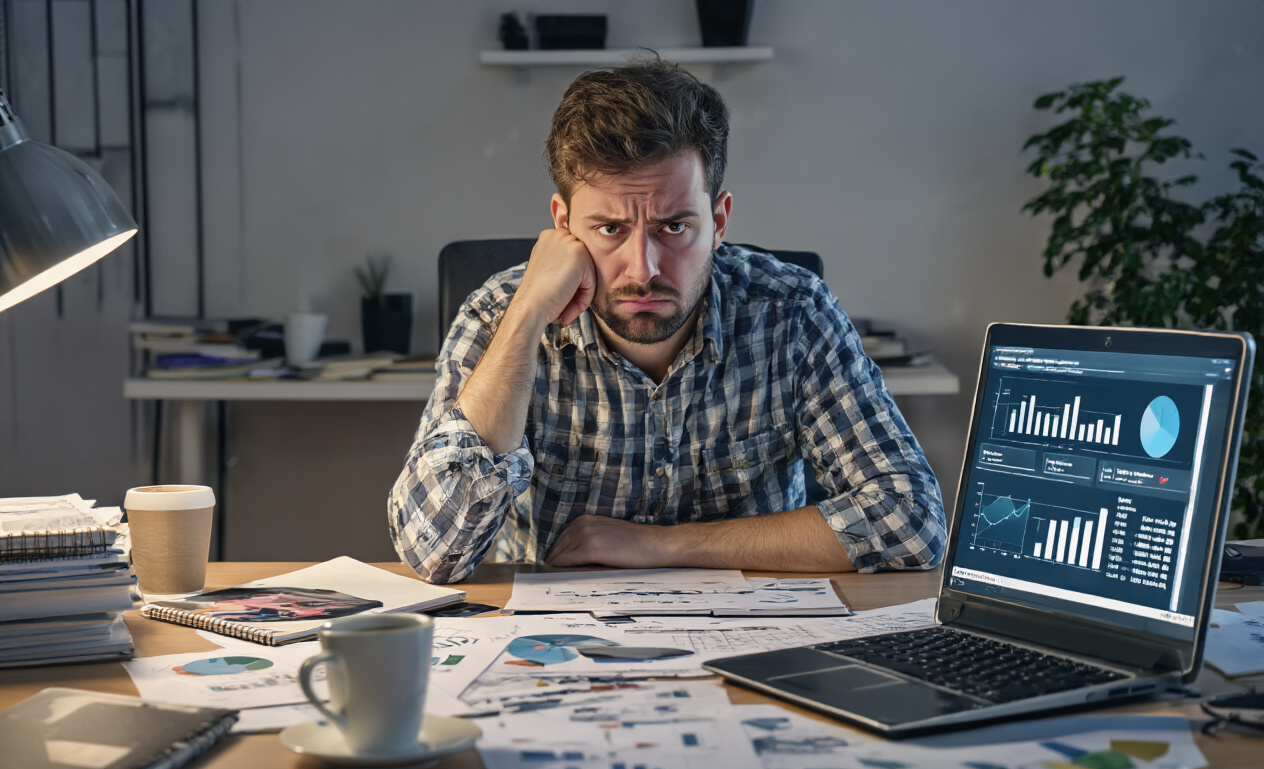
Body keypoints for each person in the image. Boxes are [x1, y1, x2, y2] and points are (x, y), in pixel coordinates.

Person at [389, 58, 946, 585]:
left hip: (759, 642)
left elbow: (912, 522)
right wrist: (529, 313)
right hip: (550, 645)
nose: (643, 268)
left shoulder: (792, 313)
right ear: (562, 225)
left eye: (673, 228)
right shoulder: (497, 315)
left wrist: (663, 545)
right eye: (608, 229)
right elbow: (434, 553)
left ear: (718, 219)